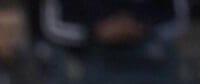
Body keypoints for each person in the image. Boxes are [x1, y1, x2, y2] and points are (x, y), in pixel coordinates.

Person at [40, 0, 190, 48]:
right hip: (79, 57)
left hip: (146, 59)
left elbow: (178, 20)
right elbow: (51, 26)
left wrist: (143, 29)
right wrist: (94, 33)